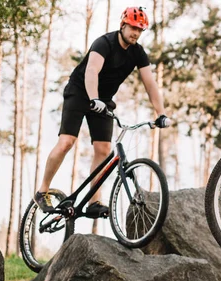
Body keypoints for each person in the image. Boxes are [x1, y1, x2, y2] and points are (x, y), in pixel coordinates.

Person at [34, 6, 170, 217]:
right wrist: (93, 97)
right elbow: (91, 70)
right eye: (133, 27)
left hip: (103, 101)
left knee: (104, 149)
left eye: (140, 30)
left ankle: (94, 202)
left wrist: (161, 113)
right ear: (122, 25)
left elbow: (150, 84)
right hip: (80, 92)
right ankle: (42, 190)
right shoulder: (104, 43)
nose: (135, 33)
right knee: (66, 142)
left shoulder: (137, 53)